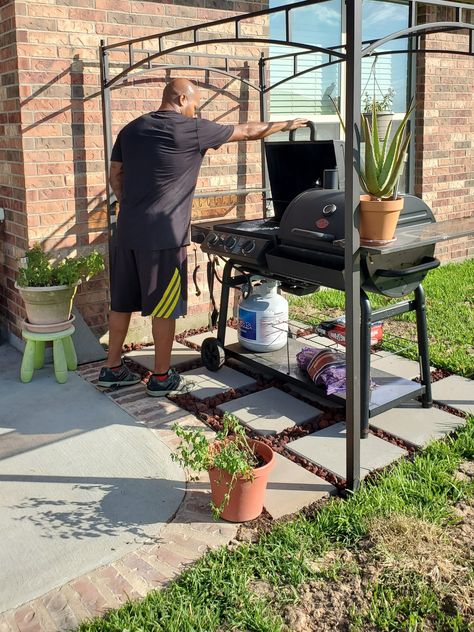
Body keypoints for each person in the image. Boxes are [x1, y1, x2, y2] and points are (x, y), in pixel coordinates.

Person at [98, 78, 308, 396]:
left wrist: (127, 205)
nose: (197, 109)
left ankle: (112, 369)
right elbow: (249, 130)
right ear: (182, 98)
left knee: (122, 303)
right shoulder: (191, 128)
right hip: (164, 237)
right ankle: (160, 378)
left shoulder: (131, 129)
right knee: (165, 307)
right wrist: (288, 123)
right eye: (196, 103)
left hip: (127, 230)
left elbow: (115, 174)